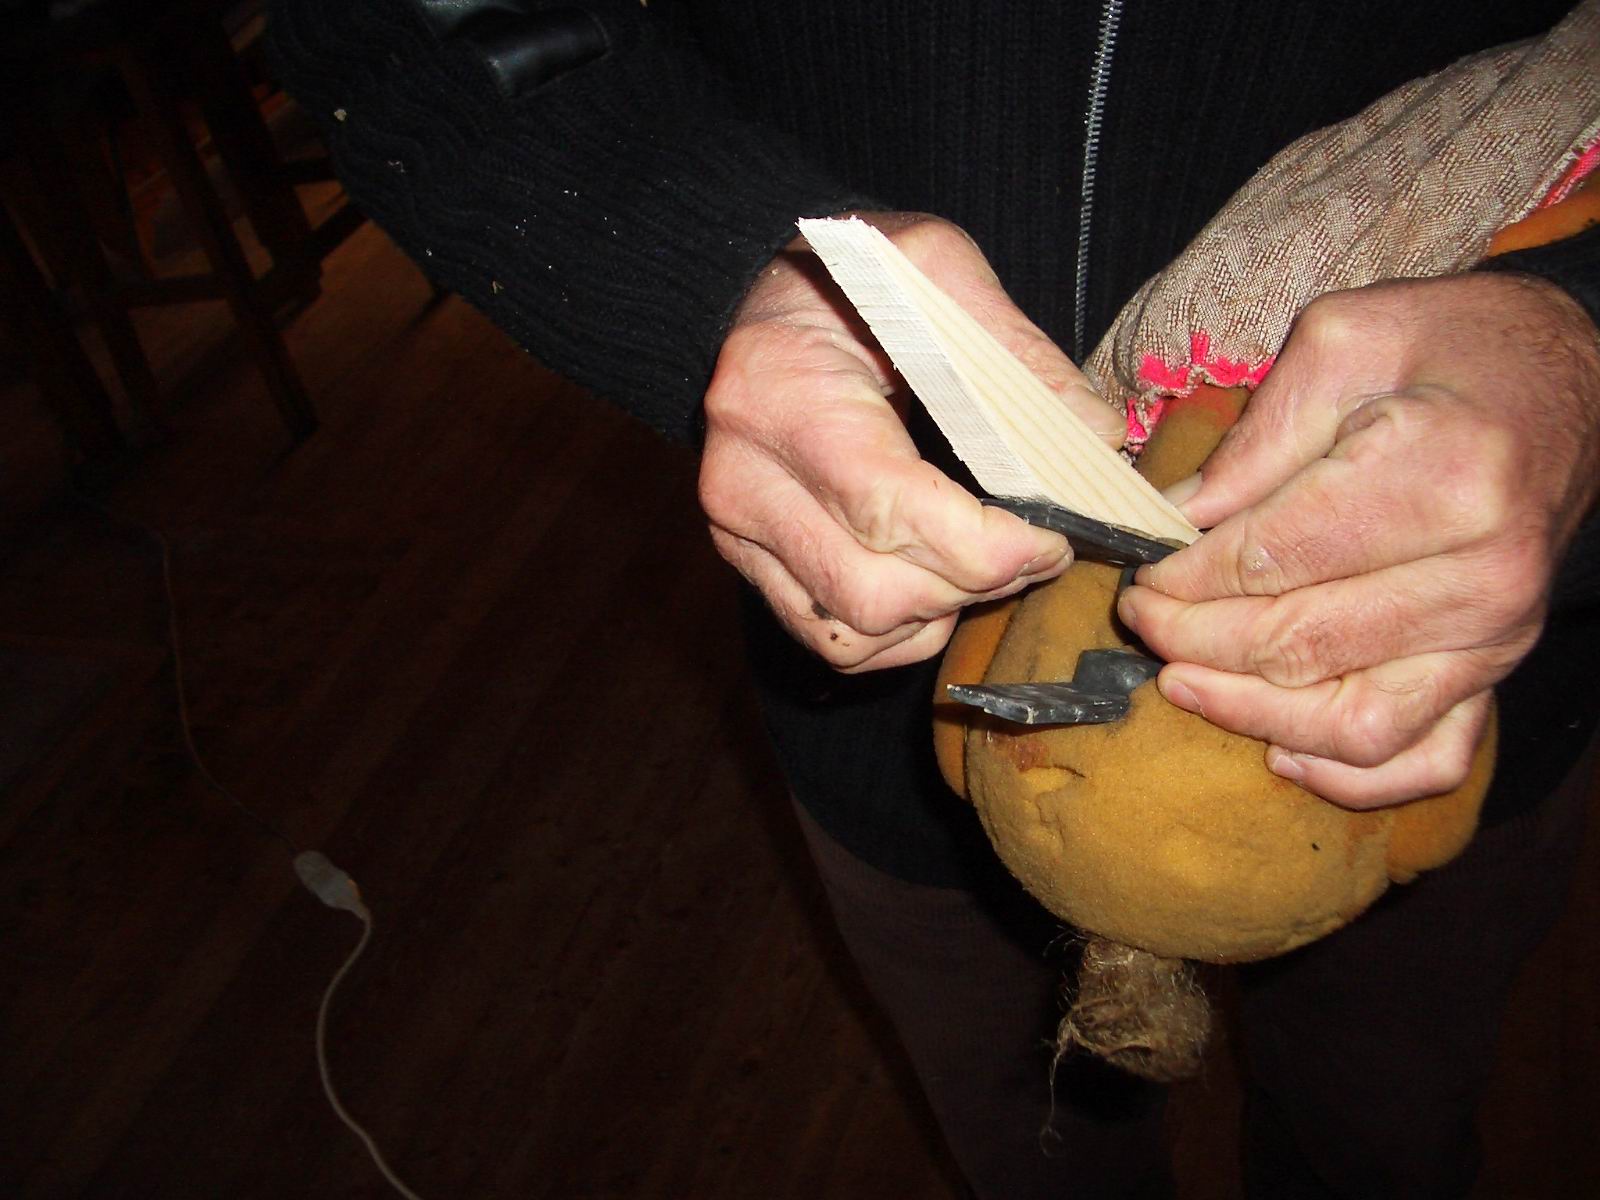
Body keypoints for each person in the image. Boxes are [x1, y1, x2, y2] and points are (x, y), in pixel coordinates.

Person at [267, 2, 1600, 1195]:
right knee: (1036, 1152)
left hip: (1446, 716)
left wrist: (1580, 343)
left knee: (1382, 1140)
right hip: (880, 722)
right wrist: (718, 264)